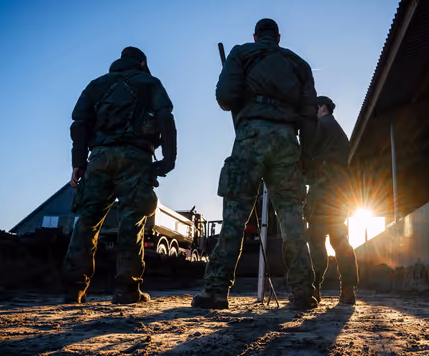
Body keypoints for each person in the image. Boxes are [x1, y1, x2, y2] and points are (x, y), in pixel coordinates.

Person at [192, 18, 319, 310]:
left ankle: (215, 291)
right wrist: (306, 155)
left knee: (235, 216)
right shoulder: (299, 64)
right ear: (278, 37)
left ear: (256, 35)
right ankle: (303, 293)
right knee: (292, 220)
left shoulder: (242, 53)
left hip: (251, 137)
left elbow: (225, 97)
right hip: (288, 140)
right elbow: (309, 115)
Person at [63, 46, 177, 304]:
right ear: (142, 63)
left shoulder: (96, 85)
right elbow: (165, 119)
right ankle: (127, 290)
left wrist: (78, 163)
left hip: (99, 158)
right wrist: (168, 161)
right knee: (131, 222)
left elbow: (79, 124)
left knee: (86, 222)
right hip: (136, 158)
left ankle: (73, 290)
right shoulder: (149, 82)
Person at [304, 96, 358, 305]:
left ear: (323, 108)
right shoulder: (338, 132)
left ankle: (314, 289)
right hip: (338, 198)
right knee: (341, 242)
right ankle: (348, 289)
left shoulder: (323, 126)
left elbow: (309, 155)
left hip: (321, 197)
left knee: (317, 244)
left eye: (314, 109)